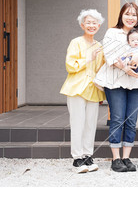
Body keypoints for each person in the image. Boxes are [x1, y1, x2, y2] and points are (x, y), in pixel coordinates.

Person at [94, 2, 138, 172]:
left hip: (136, 81)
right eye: (127, 14)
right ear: (121, 15)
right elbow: (110, 55)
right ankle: (116, 159)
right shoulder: (113, 32)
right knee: (118, 118)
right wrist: (124, 67)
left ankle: (127, 157)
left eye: (134, 15)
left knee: (131, 120)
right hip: (115, 81)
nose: (130, 17)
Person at [60, 9, 105, 173]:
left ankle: (87, 156)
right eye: (88, 22)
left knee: (90, 125)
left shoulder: (100, 46)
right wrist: (89, 58)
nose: (91, 25)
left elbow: (101, 69)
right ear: (82, 25)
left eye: (95, 23)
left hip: (93, 90)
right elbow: (70, 65)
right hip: (76, 89)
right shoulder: (76, 42)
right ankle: (77, 159)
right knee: (77, 123)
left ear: (99, 26)